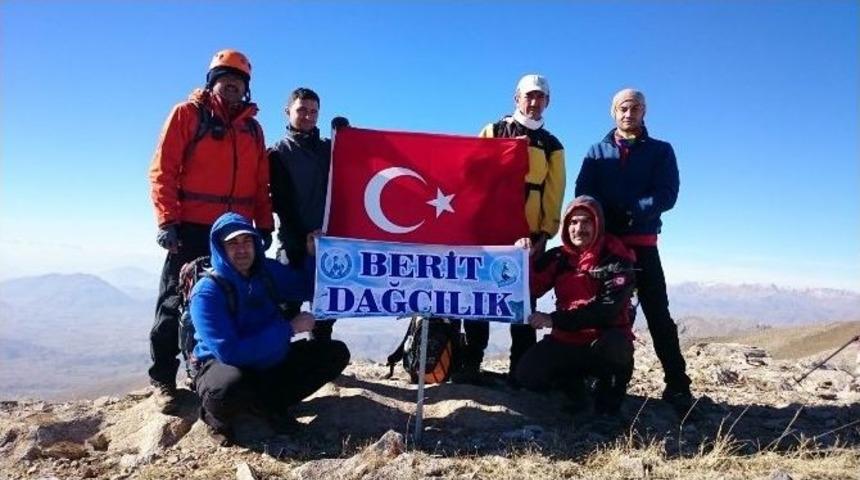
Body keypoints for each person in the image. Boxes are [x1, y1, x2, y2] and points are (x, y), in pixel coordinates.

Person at [148, 49, 274, 413]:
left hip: (235, 231)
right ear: (212, 81)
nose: (231, 84)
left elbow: (260, 182)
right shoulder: (187, 115)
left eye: (238, 80)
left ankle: (215, 372)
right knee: (175, 301)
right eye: (224, 77)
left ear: (246, 87)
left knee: (233, 301)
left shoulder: (252, 128)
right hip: (191, 226)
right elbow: (163, 170)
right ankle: (162, 380)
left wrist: (263, 224)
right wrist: (167, 220)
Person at [575, 88, 694, 413]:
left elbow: (667, 194)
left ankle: (678, 384)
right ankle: (600, 381)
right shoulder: (597, 152)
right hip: (607, 248)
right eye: (623, 108)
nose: (629, 113)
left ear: (644, 112)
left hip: (642, 246)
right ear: (614, 112)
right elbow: (583, 192)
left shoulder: (661, 151)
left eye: (636, 108)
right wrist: (601, 216)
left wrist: (631, 210)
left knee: (658, 315)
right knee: (604, 313)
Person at [191, 212, 350, 445]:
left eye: (246, 241)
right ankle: (216, 414)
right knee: (228, 387)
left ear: (256, 243)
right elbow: (230, 352)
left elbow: (305, 288)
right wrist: (288, 329)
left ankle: (267, 405)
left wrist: (312, 256)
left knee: (334, 353)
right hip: (225, 365)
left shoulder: (266, 272)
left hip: (269, 358)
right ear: (220, 248)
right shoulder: (208, 292)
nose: (242, 249)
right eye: (232, 243)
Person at [453, 74, 566, 383]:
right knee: (479, 298)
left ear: (547, 102)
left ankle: (521, 371)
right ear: (516, 99)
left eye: (540, 97)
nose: (534, 102)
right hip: (487, 231)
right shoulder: (494, 130)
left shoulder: (552, 145)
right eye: (528, 96)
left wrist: (545, 232)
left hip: (528, 236)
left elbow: (554, 192)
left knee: (523, 302)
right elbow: (470, 173)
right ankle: (471, 364)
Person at [515, 196, 636, 415]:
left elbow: (606, 311)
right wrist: (522, 259)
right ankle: (575, 384)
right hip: (566, 339)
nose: (579, 228)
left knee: (616, 346)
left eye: (587, 222)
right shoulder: (560, 256)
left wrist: (553, 320)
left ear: (598, 224)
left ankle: (609, 399)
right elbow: (532, 287)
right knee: (527, 374)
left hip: (601, 339)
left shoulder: (616, 258)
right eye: (573, 222)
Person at [269, 87, 347, 341]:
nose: (308, 116)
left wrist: (347, 136)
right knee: (286, 303)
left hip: (329, 239)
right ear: (288, 111)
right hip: (294, 239)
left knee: (325, 304)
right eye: (302, 109)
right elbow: (281, 202)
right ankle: (278, 359)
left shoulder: (329, 148)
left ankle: (320, 356)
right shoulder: (277, 152)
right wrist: (302, 237)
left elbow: (357, 165)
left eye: (314, 111)